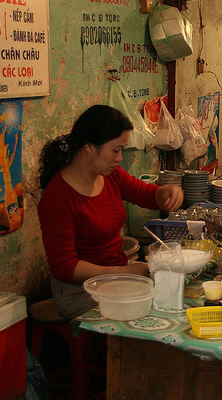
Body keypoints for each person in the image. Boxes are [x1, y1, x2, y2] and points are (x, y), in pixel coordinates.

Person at [38, 105, 184, 319]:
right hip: (80, 291)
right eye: (115, 150)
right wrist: (125, 273)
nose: (119, 157)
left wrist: (166, 193)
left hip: (115, 276)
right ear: (89, 147)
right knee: (155, 311)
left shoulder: (110, 176)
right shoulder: (58, 197)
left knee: (174, 291)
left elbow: (146, 194)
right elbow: (65, 267)